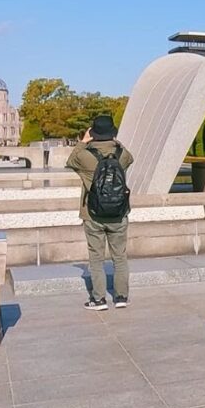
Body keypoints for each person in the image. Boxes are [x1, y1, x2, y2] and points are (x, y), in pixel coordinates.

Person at [66, 115, 134, 311]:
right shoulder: (121, 154)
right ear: (113, 132)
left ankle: (99, 299)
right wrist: (115, 141)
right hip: (119, 213)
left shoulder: (84, 156)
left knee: (96, 258)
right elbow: (130, 158)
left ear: (92, 133)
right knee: (120, 257)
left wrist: (82, 142)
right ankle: (121, 297)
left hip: (92, 213)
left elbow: (70, 161)